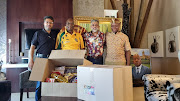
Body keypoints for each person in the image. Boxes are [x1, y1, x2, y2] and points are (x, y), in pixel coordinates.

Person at [28, 16, 57, 101]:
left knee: (50, 82)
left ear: (53, 24)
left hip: (51, 60)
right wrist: (31, 60)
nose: (49, 24)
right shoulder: (38, 33)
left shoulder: (54, 34)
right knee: (39, 84)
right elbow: (32, 47)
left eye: (51, 22)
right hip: (40, 59)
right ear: (44, 23)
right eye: (47, 22)